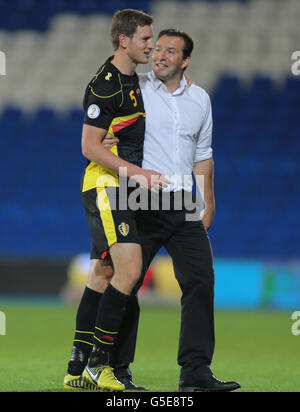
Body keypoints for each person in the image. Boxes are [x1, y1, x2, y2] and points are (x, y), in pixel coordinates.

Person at [63, 9, 169, 392]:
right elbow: (89, 146)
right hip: (108, 186)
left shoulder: (133, 80)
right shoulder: (105, 84)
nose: (151, 46)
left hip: (119, 186)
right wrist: (137, 173)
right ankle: (99, 364)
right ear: (124, 40)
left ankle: (76, 369)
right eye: (145, 39)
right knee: (130, 270)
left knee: (103, 274)